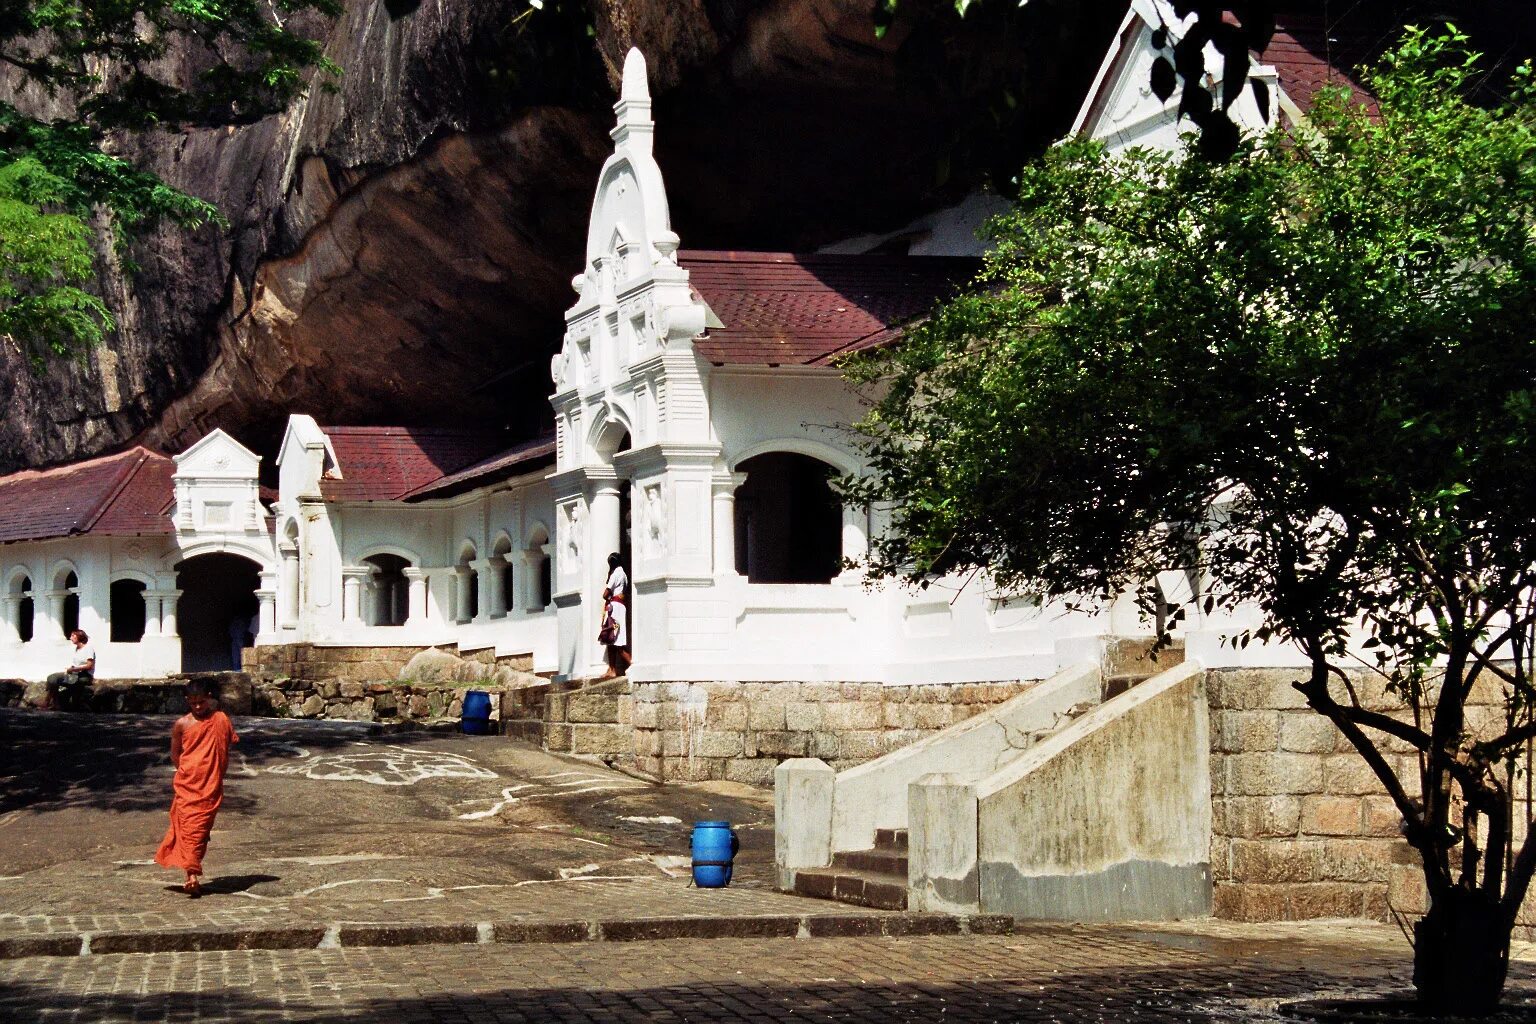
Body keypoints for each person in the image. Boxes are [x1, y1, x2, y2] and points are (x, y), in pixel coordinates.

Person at [155, 678, 239, 897]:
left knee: (200, 831)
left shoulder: (220, 719)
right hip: (188, 786)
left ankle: (191, 871)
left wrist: (210, 771)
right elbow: (176, 754)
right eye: (194, 704)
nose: (198, 707)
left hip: (210, 787)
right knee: (190, 830)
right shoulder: (182, 724)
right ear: (187, 702)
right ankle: (191, 874)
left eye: (202, 702)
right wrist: (188, 772)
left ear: (209, 698)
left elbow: (223, 747)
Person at [44, 629, 95, 711]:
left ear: (79, 637)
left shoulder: (88, 648)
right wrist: (70, 669)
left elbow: (89, 665)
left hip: (83, 676)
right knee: (52, 678)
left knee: (54, 679)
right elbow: (76, 664)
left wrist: (74, 669)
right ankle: (54, 702)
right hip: (74, 674)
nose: (71, 638)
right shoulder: (77, 649)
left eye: (73, 636)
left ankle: (48, 703)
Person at [600, 551, 631, 679]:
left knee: (616, 639)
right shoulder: (624, 574)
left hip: (615, 608)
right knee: (611, 639)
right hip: (620, 606)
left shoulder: (615, 574)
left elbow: (605, 594)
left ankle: (630, 663)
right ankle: (611, 669)